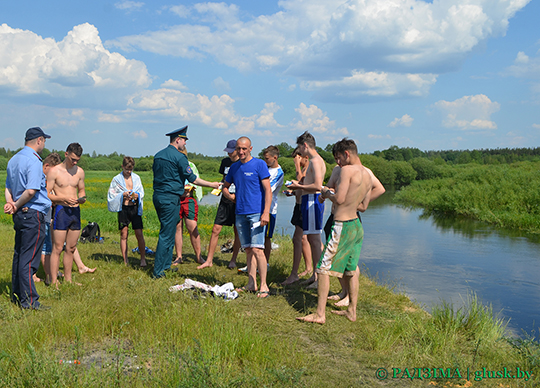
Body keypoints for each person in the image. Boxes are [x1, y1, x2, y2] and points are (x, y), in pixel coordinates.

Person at [297, 138, 372, 324]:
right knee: (350, 269)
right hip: (356, 225)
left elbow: (338, 198)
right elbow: (363, 206)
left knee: (323, 268)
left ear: (347, 154)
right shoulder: (367, 173)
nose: (338, 163)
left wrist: (325, 192)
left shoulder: (347, 170)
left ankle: (320, 314)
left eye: (339, 158)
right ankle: (352, 311)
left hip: (342, 225)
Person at [152, 126, 220, 278]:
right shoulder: (180, 157)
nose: (185, 144)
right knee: (166, 234)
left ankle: (166, 266)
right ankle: (158, 272)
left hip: (159, 196)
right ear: (178, 140)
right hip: (171, 198)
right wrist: (212, 184)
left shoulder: (158, 155)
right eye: (184, 140)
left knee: (169, 231)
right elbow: (193, 178)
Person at [4, 127, 52, 310]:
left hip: (20, 214)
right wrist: (16, 205)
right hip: (32, 214)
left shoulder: (13, 159)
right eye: (44, 140)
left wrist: (11, 203)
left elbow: (8, 187)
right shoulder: (33, 161)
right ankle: (29, 300)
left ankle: (17, 295)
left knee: (19, 255)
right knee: (29, 259)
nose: (44, 144)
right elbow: (32, 190)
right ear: (39, 140)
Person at [325, 164, 385, 307]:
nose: (337, 160)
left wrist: (355, 204)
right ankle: (344, 291)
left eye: (339, 157)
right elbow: (330, 187)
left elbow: (380, 189)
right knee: (336, 258)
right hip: (334, 217)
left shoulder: (364, 171)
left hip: (349, 218)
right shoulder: (337, 169)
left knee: (349, 260)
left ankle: (349, 297)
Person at [222, 136, 272, 297]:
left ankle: (264, 285)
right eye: (238, 148)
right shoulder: (234, 167)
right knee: (249, 249)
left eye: (244, 148)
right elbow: (225, 186)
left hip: (256, 213)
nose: (241, 151)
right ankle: (251, 284)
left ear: (250, 149)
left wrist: (265, 212)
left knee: (258, 249)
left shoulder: (259, 164)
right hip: (240, 214)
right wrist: (230, 197)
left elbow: (268, 190)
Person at [287, 131, 326, 289]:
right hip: (307, 200)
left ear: (305, 145)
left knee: (315, 240)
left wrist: (298, 186)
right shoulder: (314, 160)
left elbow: (317, 186)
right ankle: (315, 275)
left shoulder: (316, 161)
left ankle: (319, 279)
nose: (300, 151)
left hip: (312, 200)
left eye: (299, 147)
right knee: (311, 239)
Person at [47, 143, 86, 287]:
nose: (74, 162)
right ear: (66, 154)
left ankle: (68, 280)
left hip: (75, 211)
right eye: (73, 159)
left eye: (77, 160)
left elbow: (81, 190)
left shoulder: (80, 172)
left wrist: (82, 197)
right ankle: (54, 281)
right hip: (61, 211)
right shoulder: (54, 172)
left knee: (71, 248)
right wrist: (62, 199)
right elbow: (47, 193)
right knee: (57, 248)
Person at [198, 139, 241, 270]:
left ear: (237, 151)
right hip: (225, 199)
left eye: (231, 152)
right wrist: (219, 187)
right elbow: (224, 178)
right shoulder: (225, 162)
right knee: (216, 228)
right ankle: (209, 260)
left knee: (237, 230)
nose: (229, 154)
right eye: (227, 152)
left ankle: (233, 260)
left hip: (238, 199)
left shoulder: (242, 163)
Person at [107, 156, 147, 267]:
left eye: (131, 169)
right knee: (124, 234)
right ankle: (125, 260)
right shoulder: (116, 179)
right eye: (126, 169)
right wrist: (122, 195)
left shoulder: (136, 178)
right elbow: (112, 194)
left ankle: (143, 259)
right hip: (124, 209)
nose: (128, 171)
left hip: (134, 208)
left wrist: (136, 196)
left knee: (139, 233)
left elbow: (141, 192)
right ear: (122, 167)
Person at [282, 147, 313, 285]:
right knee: (304, 239)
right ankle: (309, 268)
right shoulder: (304, 168)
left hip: (305, 207)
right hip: (299, 205)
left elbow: (302, 182)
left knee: (299, 238)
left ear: (305, 157)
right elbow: (301, 188)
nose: (297, 162)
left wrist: (296, 166)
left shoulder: (308, 168)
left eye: (298, 158)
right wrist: (293, 193)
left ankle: (294, 274)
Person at [173, 149, 204, 265]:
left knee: (192, 227)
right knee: (178, 227)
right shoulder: (173, 166)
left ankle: (199, 256)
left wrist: (191, 187)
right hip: (177, 199)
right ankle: (179, 256)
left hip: (188, 199)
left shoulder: (191, 165)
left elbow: (196, 180)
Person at [262, 145, 284, 264]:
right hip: (259, 207)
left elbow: (268, 188)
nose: (265, 161)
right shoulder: (265, 168)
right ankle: (255, 263)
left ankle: (265, 263)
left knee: (266, 237)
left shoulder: (278, 172)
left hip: (270, 210)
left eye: (267, 158)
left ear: (275, 157)